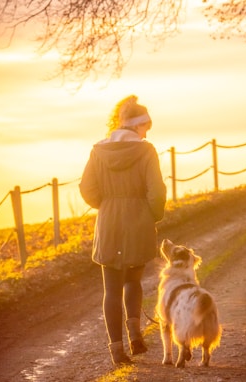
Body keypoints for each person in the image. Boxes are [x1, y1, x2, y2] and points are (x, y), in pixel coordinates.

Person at [79, 95, 167, 366]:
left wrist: (106, 206)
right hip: (138, 222)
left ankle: (117, 350)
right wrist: (152, 215)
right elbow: (157, 191)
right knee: (133, 281)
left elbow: (87, 188)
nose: (146, 133)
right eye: (146, 128)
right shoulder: (146, 150)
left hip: (109, 222)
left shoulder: (98, 150)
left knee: (112, 289)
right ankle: (135, 335)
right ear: (139, 125)